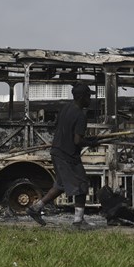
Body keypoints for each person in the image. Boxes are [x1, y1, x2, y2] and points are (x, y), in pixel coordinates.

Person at [27, 83, 100, 229]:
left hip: (57, 151)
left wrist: (89, 140)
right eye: (88, 96)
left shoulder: (66, 108)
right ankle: (78, 222)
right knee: (82, 185)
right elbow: (77, 141)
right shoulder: (80, 115)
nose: (90, 99)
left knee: (60, 185)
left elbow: (63, 129)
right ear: (82, 97)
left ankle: (35, 208)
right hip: (68, 155)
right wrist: (90, 143)